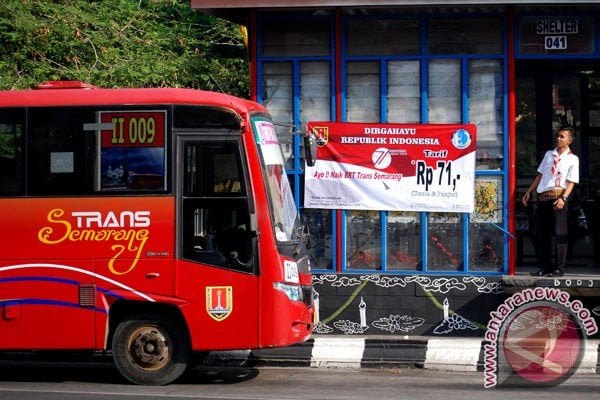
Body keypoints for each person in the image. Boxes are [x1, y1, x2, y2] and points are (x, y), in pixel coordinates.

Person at [522, 127, 579, 277]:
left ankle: (559, 268)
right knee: (539, 233)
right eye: (558, 136)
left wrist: (564, 198)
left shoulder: (573, 158)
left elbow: (572, 182)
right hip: (543, 197)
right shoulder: (549, 155)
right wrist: (529, 191)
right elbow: (540, 175)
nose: (558, 139)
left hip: (558, 197)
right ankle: (545, 265)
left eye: (562, 137)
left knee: (560, 233)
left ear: (569, 140)